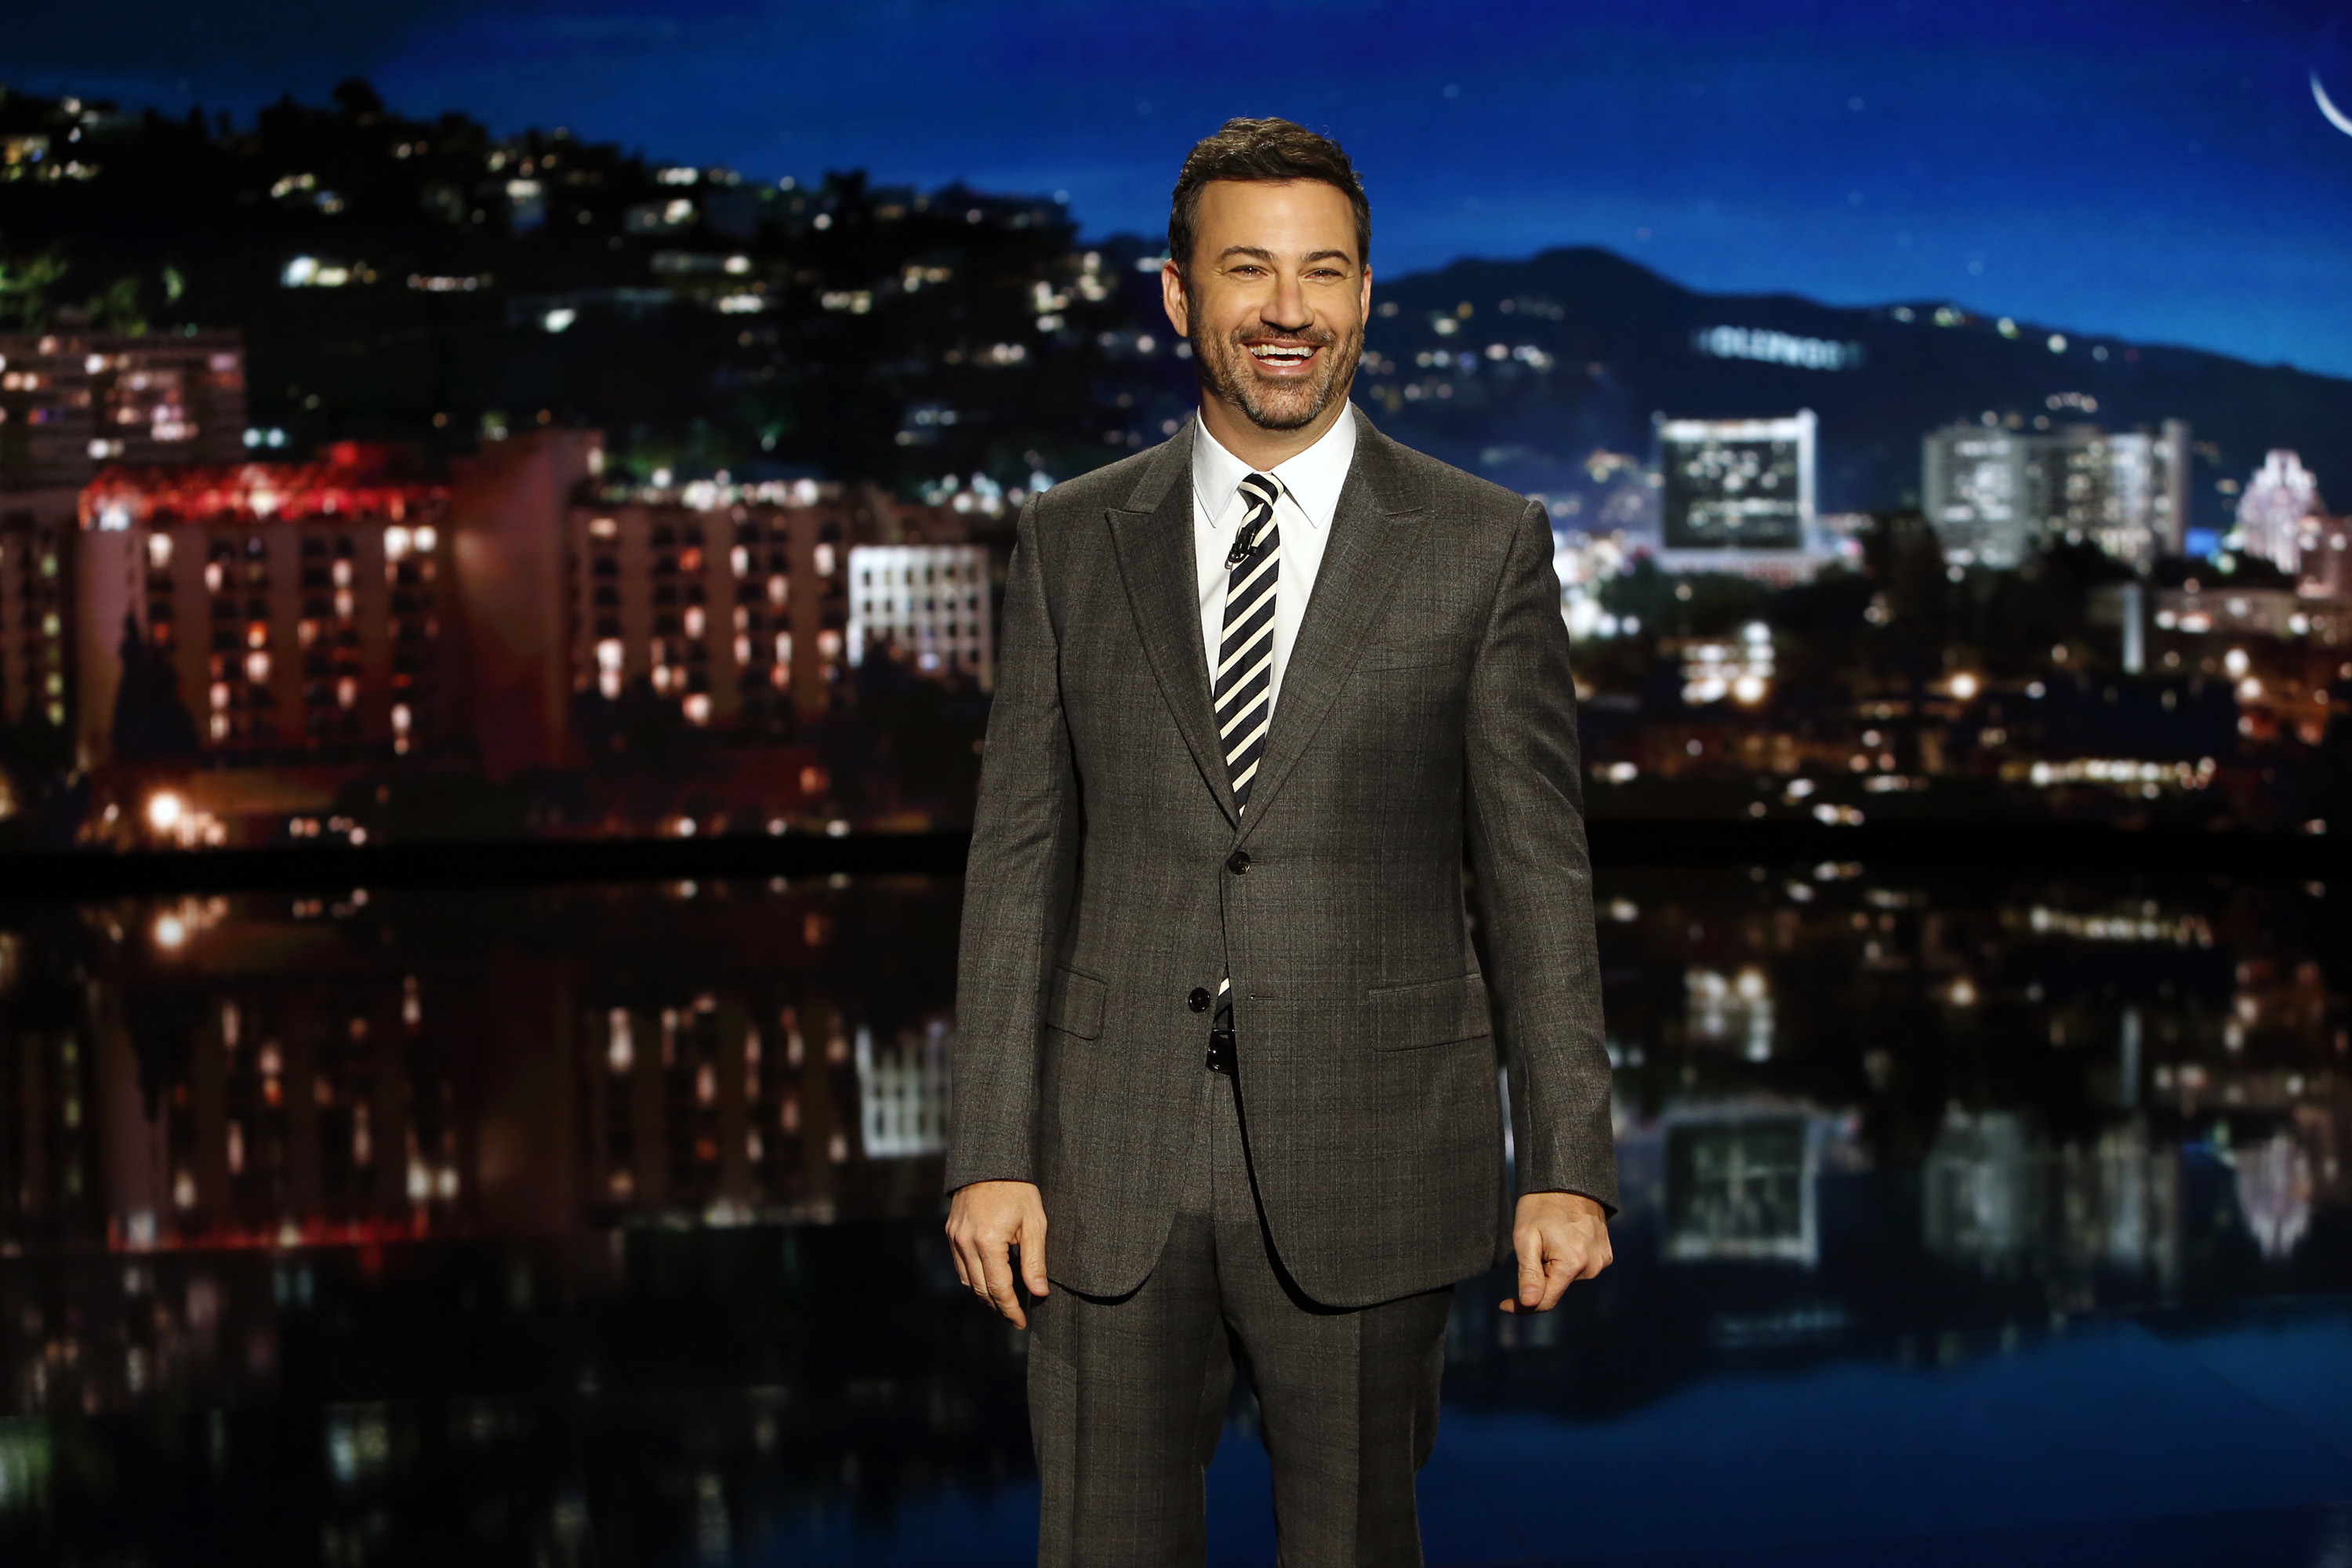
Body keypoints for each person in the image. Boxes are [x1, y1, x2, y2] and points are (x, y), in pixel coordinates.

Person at [946, 116, 1616, 1567]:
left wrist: (1566, 1158)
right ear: (1180, 294)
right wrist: (985, 1150)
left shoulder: (1483, 541)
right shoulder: (1070, 539)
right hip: (1102, 1159)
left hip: (1378, 1147)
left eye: (1324, 273)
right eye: (1249, 270)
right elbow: (1016, 860)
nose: (1289, 310)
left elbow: (1535, 870)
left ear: (1368, 295)